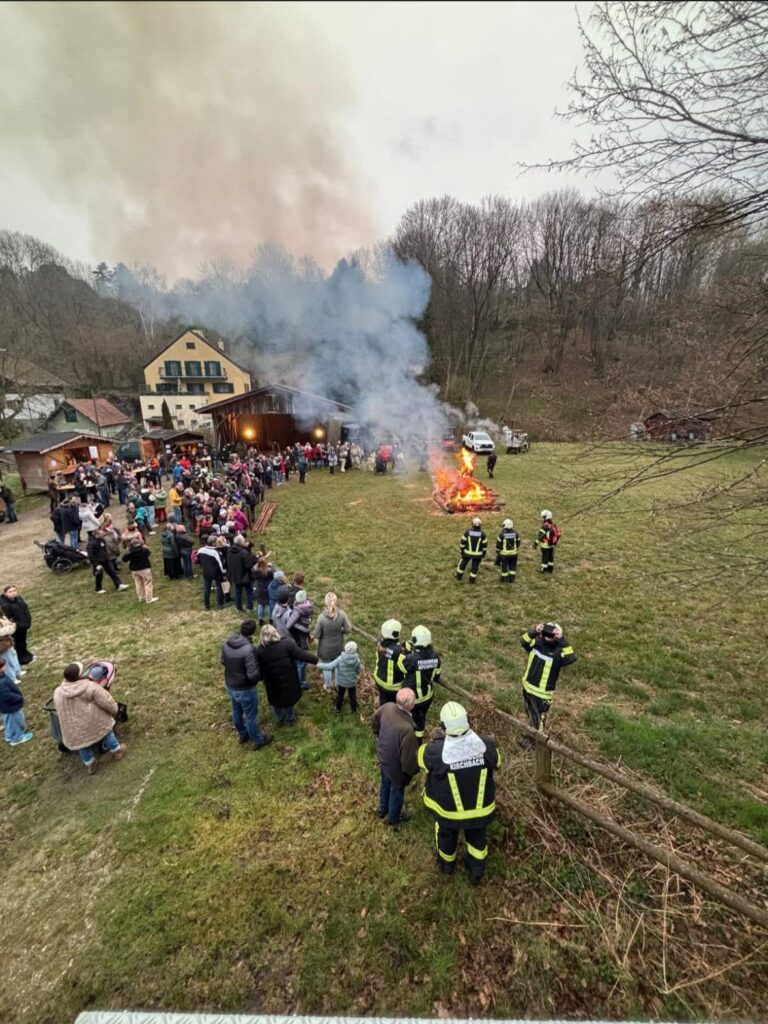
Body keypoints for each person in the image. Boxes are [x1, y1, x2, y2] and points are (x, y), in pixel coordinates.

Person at [418, 701, 501, 883]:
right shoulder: (485, 744)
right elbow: (498, 761)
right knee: (477, 839)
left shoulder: (437, 751)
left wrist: (437, 741)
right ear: (468, 720)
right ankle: (476, 872)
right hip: (480, 811)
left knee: (447, 837)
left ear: (443, 726)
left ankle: (447, 866)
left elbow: (421, 759)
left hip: (449, 812)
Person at [53, 662, 125, 774]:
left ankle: (90, 764)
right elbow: (106, 701)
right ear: (80, 675)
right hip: (93, 721)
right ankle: (117, 751)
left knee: (83, 745)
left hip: (73, 726)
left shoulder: (58, 692)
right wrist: (114, 710)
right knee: (107, 733)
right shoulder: (90, 687)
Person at [518, 622, 576, 747]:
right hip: (527, 688)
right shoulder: (536, 644)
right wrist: (535, 631)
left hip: (543, 694)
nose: (549, 635)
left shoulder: (559, 652)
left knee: (539, 719)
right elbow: (523, 640)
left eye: (552, 632)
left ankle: (536, 743)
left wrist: (561, 639)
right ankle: (530, 735)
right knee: (530, 713)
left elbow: (571, 657)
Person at [371, 687, 420, 827]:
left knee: (385, 783)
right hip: (396, 767)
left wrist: (378, 734)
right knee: (396, 790)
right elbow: (408, 760)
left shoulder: (387, 707)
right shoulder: (408, 730)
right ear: (411, 705)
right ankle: (394, 818)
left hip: (383, 756)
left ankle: (382, 809)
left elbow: (374, 719)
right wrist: (411, 772)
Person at [220, 619, 272, 749]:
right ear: (253, 632)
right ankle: (258, 740)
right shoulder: (248, 649)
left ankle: (243, 734)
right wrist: (258, 679)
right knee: (251, 715)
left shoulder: (227, 643)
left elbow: (222, 661)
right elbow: (253, 675)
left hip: (231, 685)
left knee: (236, 710)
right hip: (245, 688)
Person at [255, 624, 318, 726]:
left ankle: (279, 719)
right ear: (275, 633)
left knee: (276, 701)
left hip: (271, 681)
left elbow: (259, 668)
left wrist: (261, 678)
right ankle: (290, 719)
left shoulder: (260, 651)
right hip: (288, 678)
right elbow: (301, 654)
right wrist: (316, 660)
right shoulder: (287, 644)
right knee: (288, 700)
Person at [402, 625, 442, 742]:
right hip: (427, 696)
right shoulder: (436, 657)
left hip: (412, 698)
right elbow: (437, 675)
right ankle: (419, 742)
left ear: (415, 640)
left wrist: (406, 652)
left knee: (408, 717)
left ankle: (407, 738)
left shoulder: (412, 658)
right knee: (421, 719)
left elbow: (401, 667)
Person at [312, 592, 352, 692]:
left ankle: (328, 686)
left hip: (325, 649)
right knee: (338, 665)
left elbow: (316, 634)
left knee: (327, 667)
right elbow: (348, 629)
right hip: (338, 646)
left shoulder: (321, 618)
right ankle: (338, 684)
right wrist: (340, 632)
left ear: (326, 602)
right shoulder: (342, 614)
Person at [318, 640, 362, 714]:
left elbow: (329, 666)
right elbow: (358, 670)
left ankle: (338, 709)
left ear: (345, 648)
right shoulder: (357, 660)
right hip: (352, 682)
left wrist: (319, 665)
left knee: (340, 695)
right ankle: (354, 710)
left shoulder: (340, 658)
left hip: (341, 682)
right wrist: (356, 674)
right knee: (352, 696)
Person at [373, 618, 408, 704]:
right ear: (397, 633)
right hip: (392, 686)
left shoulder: (380, 642)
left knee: (383, 701)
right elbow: (405, 667)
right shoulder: (399, 651)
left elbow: (383, 646)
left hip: (379, 679)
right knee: (391, 705)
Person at [0, 657, 33, 745]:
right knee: (16, 720)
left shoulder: (2, 676)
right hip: (11, 705)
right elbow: (5, 695)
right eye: (3, 666)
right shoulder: (1, 681)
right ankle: (17, 738)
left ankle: (9, 735)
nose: (5, 667)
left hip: (5, 706)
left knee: (8, 720)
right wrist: (18, 698)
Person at [0, 586, 35, 664]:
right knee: (18, 643)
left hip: (24, 624)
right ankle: (22, 659)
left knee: (23, 642)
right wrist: (17, 624)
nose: (13, 593)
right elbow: (8, 618)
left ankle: (27, 654)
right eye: (10, 591)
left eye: (14, 590)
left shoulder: (18, 599)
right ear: (5, 593)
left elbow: (25, 608)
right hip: (17, 627)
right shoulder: (5, 605)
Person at [87, 529, 128, 594]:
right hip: (98, 562)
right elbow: (90, 556)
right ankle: (98, 589)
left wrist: (107, 557)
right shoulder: (91, 543)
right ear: (96, 534)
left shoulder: (102, 540)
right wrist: (96, 564)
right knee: (99, 575)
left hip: (106, 560)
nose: (102, 534)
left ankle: (119, 585)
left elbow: (104, 549)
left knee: (113, 572)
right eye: (101, 533)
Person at [121, 538, 159, 604]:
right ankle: (149, 599)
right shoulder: (143, 550)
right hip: (144, 569)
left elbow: (124, 559)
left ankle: (141, 598)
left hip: (134, 570)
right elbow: (148, 553)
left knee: (138, 583)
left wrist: (128, 551)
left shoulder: (130, 552)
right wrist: (145, 547)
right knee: (148, 583)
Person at [454, 516, 487, 584]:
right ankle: (471, 580)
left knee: (462, 564)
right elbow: (484, 545)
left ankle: (458, 576)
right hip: (478, 555)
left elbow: (462, 542)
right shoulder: (483, 534)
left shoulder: (467, 532)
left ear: (472, 524)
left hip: (467, 553)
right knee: (475, 567)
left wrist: (462, 551)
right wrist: (483, 553)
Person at [198, 535, 228, 610]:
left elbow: (198, 559)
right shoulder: (216, 553)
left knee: (207, 588)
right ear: (213, 543)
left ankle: (206, 605)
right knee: (219, 587)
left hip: (206, 572)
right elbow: (221, 565)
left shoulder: (201, 550)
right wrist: (224, 573)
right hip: (216, 573)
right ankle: (220, 604)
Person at [227, 535, 255, 612]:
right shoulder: (244, 552)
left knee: (238, 591)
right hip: (245, 575)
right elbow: (248, 565)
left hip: (235, 575)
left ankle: (238, 608)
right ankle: (249, 607)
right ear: (240, 543)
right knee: (249, 591)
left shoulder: (229, 550)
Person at [534, 510, 560, 574]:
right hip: (552, 544)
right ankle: (550, 569)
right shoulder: (553, 524)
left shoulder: (545, 525)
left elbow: (540, 536)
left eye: (543, 517)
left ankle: (543, 569)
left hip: (545, 544)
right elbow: (558, 534)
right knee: (550, 556)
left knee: (545, 556)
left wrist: (535, 544)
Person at [495, 518, 520, 584]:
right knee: (513, 567)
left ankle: (504, 579)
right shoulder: (516, 534)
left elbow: (498, 545)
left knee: (504, 567)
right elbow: (518, 543)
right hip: (514, 554)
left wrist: (498, 552)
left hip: (505, 554)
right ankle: (512, 579)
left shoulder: (501, 534)